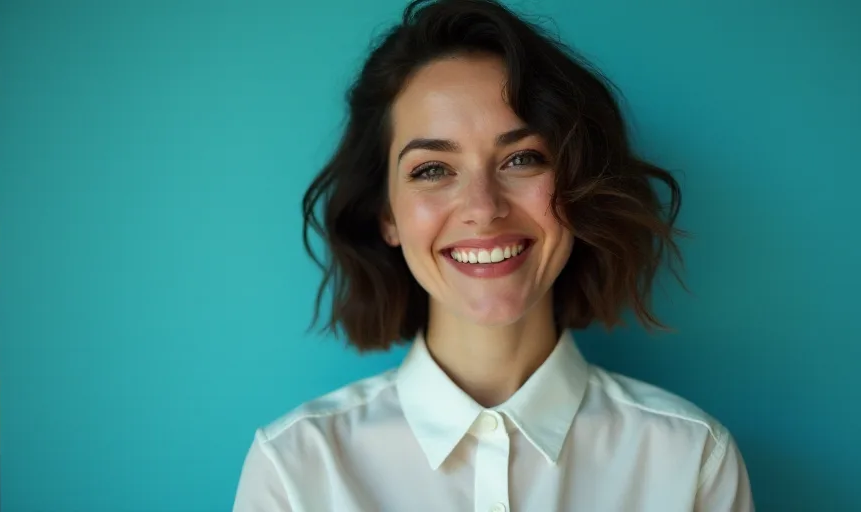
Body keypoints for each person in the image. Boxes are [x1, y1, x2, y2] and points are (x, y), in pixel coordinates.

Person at [232, 0, 754, 510]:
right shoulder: (295, 471)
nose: (483, 209)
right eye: (432, 169)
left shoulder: (690, 461)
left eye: (522, 159)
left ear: (577, 191)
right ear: (386, 215)